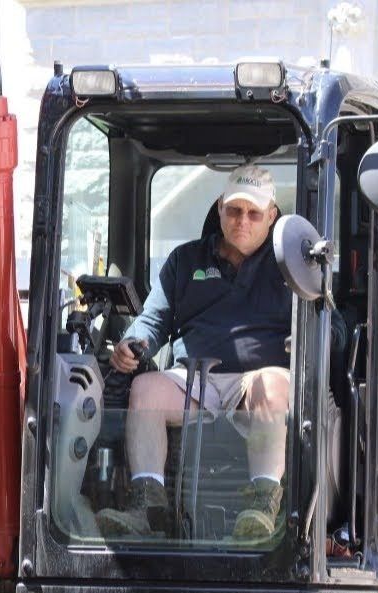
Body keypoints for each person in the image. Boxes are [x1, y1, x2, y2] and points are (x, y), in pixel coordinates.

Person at [97, 164, 291, 540]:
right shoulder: (185, 261)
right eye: (234, 210)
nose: (242, 221)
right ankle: (147, 507)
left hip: (260, 381)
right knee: (146, 389)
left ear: (271, 217)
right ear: (219, 208)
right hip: (193, 378)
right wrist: (132, 344)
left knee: (272, 385)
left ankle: (263, 506)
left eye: (254, 214)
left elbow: (328, 322)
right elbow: (153, 320)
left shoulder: (290, 264)